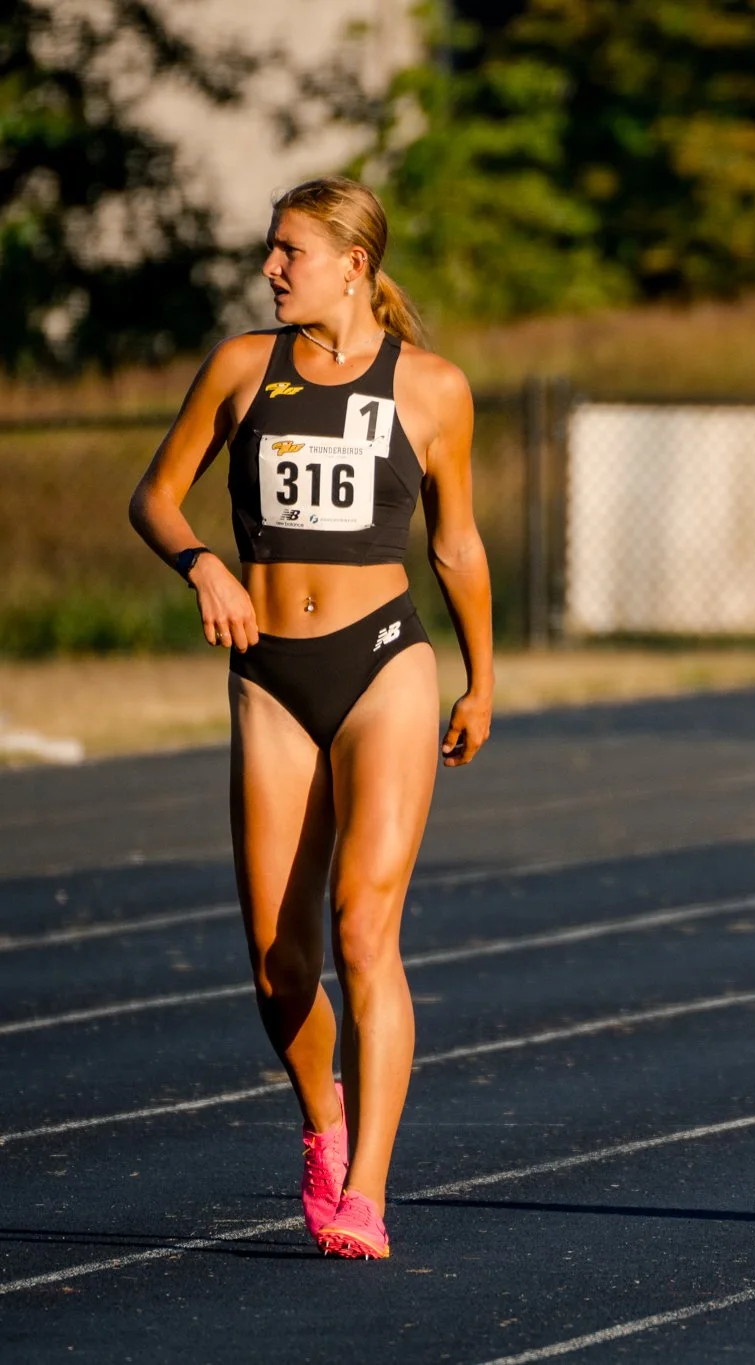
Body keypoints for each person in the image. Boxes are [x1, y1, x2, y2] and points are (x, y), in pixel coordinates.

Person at [129, 177, 493, 1260]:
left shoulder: (432, 389)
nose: (271, 269)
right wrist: (202, 563)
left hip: (385, 662)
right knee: (276, 962)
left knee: (361, 930)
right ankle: (323, 1127)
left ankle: (369, 1191)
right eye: (270, 250)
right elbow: (153, 495)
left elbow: (456, 547)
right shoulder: (244, 369)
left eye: (289, 250)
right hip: (269, 674)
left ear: (353, 262)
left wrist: (483, 679)